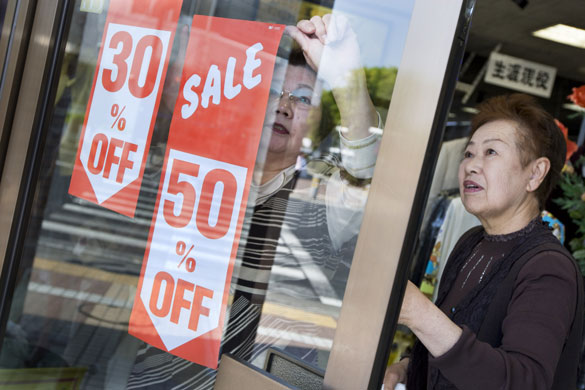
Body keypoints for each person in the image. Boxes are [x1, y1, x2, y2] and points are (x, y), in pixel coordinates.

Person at [127, 14, 382, 389]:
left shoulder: (321, 187)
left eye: (304, 99)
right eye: (272, 90)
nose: (283, 106)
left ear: (320, 125)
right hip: (162, 377)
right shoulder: (199, 173)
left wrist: (347, 80)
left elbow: (364, 167)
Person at [384, 94, 584, 390]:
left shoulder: (548, 269)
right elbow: (454, 342)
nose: (472, 166)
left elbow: (523, 382)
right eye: (468, 154)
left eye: (491, 152)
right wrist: (408, 366)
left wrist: (420, 314)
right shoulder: (471, 242)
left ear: (535, 173)